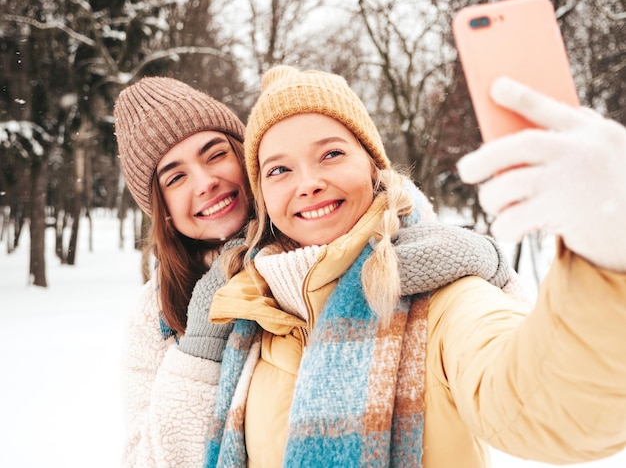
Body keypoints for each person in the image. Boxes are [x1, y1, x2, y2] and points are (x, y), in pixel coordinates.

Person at [204, 66, 626, 468]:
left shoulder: (444, 292)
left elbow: (547, 404)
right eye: (279, 169)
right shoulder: (252, 317)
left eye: (331, 154)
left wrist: (607, 259)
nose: (307, 183)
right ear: (262, 195)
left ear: (374, 166)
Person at [113, 76, 253, 468]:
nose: (206, 182)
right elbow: (146, 460)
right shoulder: (153, 316)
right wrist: (200, 351)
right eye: (176, 177)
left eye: (215, 155)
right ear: (164, 210)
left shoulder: (315, 235)